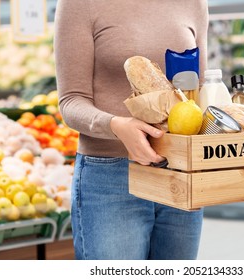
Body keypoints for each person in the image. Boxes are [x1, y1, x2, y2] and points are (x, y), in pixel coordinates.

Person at [54, 0, 208, 260]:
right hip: (111, 178)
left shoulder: (194, 3)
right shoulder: (79, 4)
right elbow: (71, 101)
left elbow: (198, 91)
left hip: (179, 174)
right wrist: (116, 126)